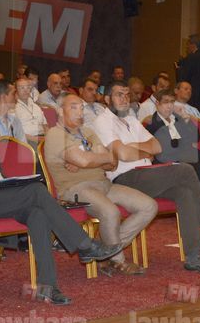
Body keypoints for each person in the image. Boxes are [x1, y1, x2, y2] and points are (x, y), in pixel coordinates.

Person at [0, 96, 124, 305]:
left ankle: (47, 287)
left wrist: (9, 183)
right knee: (36, 190)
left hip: (2, 194)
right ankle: (84, 244)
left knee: (39, 214)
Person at [93, 80, 200, 275]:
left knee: (184, 193)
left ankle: (194, 256)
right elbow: (123, 154)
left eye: (126, 94)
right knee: (184, 170)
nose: (125, 98)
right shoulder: (103, 121)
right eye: (119, 95)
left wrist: (134, 148)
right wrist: (142, 150)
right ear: (107, 99)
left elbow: (157, 147)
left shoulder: (132, 120)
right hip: (126, 178)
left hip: (146, 174)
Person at [45, 94, 157, 276]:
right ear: (60, 111)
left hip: (104, 184)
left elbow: (112, 162)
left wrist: (89, 160)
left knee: (149, 206)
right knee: (110, 212)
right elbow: (85, 160)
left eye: (81, 107)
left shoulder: (87, 132)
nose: (80, 112)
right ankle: (118, 261)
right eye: (73, 107)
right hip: (76, 188)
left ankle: (105, 249)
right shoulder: (55, 134)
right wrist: (93, 159)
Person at [174, 34, 200, 117]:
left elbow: (182, 80)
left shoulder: (190, 58)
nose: (187, 47)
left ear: (193, 45)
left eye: (188, 44)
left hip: (193, 100)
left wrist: (178, 69)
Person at [14, 77, 47, 145]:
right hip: (26, 141)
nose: (25, 90)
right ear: (16, 91)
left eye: (28, 87)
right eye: (22, 88)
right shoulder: (13, 109)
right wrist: (35, 139)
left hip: (43, 138)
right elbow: (16, 132)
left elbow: (45, 125)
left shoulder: (36, 107)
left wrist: (48, 137)